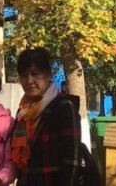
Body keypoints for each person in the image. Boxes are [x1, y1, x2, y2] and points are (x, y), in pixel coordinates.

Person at [10, 47, 81, 186]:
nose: (29, 80)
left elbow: (72, 161)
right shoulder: (23, 111)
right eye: (24, 75)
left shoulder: (63, 107)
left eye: (35, 74)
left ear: (48, 74)